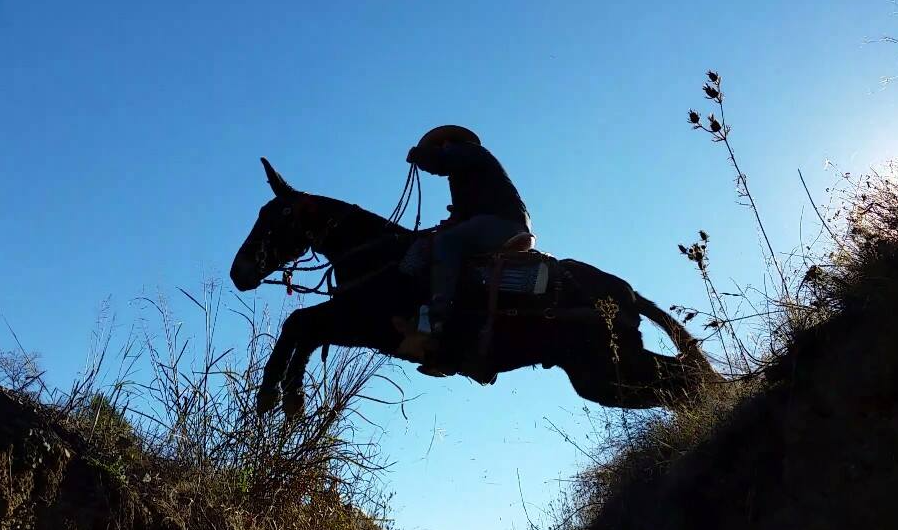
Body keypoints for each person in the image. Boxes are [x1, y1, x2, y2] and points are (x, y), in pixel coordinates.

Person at [405, 125, 532, 353]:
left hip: (502, 222)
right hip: (503, 222)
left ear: (447, 143)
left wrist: (418, 154)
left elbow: (440, 162)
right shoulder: (466, 174)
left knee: (447, 243)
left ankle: (437, 314)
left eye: (440, 147)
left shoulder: (469, 151)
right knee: (443, 240)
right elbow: (464, 211)